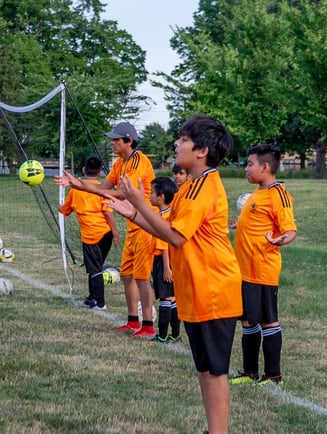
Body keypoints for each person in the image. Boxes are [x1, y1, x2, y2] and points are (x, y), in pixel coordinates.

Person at [104, 114, 242, 434]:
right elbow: (168, 228)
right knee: (205, 368)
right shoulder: (190, 187)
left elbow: (176, 237)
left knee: (215, 370)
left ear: (202, 151)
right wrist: (136, 214)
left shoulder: (201, 188)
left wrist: (140, 201)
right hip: (197, 289)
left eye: (183, 139)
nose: (177, 144)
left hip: (213, 289)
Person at [56, 122, 157, 338]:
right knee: (128, 275)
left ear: (129, 141)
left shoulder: (138, 162)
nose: (112, 142)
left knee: (141, 278)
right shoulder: (120, 163)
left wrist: (82, 186)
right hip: (133, 226)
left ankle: (147, 324)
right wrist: (78, 184)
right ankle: (132, 321)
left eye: (116, 139)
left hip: (146, 226)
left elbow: (123, 194)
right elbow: (103, 188)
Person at [229, 143, 298, 387]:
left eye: (250, 164)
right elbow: (259, 220)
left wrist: (281, 239)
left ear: (265, 167)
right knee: (248, 321)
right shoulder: (257, 193)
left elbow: (290, 230)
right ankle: (250, 372)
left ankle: (273, 376)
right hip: (245, 269)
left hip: (262, 268)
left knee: (268, 320)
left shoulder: (278, 193)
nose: (246, 169)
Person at [58, 156, 120, 311]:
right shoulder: (102, 190)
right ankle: (92, 297)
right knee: (95, 267)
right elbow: (108, 214)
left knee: (95, 269)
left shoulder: (76, 190)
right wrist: (116, 233)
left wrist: (60, 207)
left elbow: (65, 211)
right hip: (106, 234)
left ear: (84, 170)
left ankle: (100, 304)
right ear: (100, 173)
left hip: (91, 237)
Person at [148, 176, 180, 343]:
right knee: (172, 298)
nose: (149, 195)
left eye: (152, 192)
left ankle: (162, 336)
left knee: (165, 299)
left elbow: (165, 244)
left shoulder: (164, 218)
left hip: (164, 261)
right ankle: (175, 334)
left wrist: (166, 268)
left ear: (161, 196)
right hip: (170, 260)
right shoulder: (168, 212)